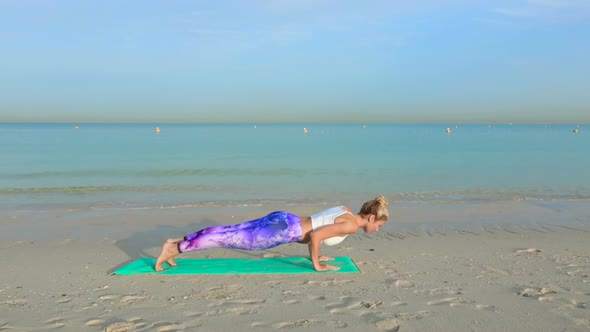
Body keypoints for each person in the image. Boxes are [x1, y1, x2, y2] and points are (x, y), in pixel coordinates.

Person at [155, 196, 389, 272]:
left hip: (285, 218)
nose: (378, 228)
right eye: (379, 224)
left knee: (230, 230)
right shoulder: (350, 225)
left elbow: (319, 225)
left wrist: (316, 254)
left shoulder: (345, 210)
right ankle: (174, 249)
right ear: (370, 217)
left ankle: (178, 241)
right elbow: (316, 236)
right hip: (285, 230)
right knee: (226, 238)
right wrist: (316, 263)